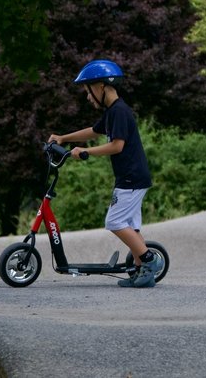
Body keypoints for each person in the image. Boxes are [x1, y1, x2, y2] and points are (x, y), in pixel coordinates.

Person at [48, 59, 161, 288]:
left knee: (115, 221)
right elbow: (94, 130)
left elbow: (117, 146)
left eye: (88, 90)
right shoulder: (113, 111)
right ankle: (141, 271)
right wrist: (63, 138)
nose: (88, 97)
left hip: (131, 178)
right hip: (132, 177)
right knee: (130, 225)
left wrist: (85, 151)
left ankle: (149, 260)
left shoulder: (119, 111)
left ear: (101, 86)